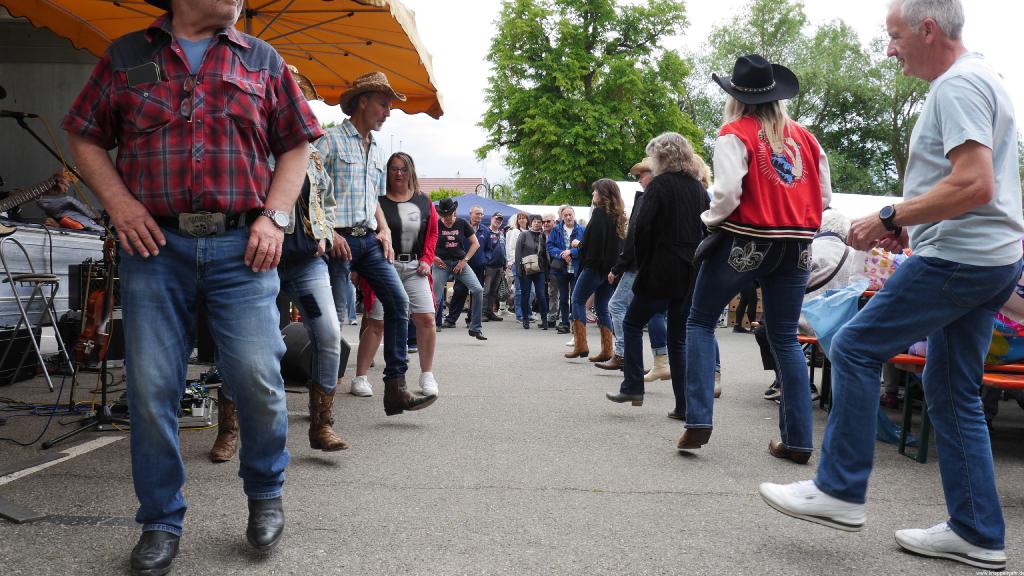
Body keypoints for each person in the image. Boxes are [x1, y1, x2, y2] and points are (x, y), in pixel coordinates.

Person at [760, 2, 1023, 570]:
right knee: (951, 391)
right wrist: (917, 227)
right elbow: (979, 189)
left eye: (894, 36)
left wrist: (892, 216)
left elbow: (975, 184)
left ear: (928, 30)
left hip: (961, 260)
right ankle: (977, 531)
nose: (889, 49)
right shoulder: (984, 79)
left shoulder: (957, 86)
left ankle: (840, 489)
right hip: (987, 259)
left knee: (854, 346)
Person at [62, 0, 321, 570]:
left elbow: (297, 142)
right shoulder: (127, 55)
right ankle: (159, 521)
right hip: (155, 247)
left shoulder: (263, 58)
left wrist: (275, 216)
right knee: (153, 390)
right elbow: (83, 135)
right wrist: (120, 205)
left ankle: (265, 496)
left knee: (257, 376)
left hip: (243, 246)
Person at [678, 54, 832, 457]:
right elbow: (826, 197)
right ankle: (798, 440)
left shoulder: (735, 132)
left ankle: (698, 419)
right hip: (797, 244)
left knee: (700, 320)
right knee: (784, 337)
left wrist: (709, 220)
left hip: (746, 240)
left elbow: (727, 193)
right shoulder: (807, 138)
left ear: (737, 97)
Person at [317, 71, 433, 417]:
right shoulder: (329, 141)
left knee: (399, 304)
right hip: (337, 242)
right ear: (363, 101)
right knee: (333, 322)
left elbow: (373, 200)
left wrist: (383, 229)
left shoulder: (378, 149)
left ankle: (395, 389)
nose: (388, 111)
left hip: (368, 241)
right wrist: (330, 232)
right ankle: (323, 400)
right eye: (384, 104)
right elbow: (307, 191)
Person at [606, 133, 708, 418]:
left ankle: (633, 385)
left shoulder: (660, 185)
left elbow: (642, 229)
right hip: (690, 271)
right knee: (678, 338)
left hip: (661, 268)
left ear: (663, 157)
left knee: (632, 321)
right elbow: (707, 230)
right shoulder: (698, 189)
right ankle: (684, 405)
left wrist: (646, 262)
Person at [351, 153, 441, 397]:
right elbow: (365, 232)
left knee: (427, 319)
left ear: (410, 171)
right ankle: (360, 377)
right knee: (376, 322)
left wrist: (427, 259)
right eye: (393, 169)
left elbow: (433, 233)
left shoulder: (424, 201)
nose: (398, 173)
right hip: (384, 267)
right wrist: (360, 268)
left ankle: (427, 375)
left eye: (403, 169)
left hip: (415, 268)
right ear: (387, 172)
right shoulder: (377, 201)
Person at [599, 157, 670, 375]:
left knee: (619, 308)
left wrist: (618, 267)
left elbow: (635, 238)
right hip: (652, 264)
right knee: (649, 313)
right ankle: (659, 362)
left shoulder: (649, 198)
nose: (640, 179)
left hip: (639, 264)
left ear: (653, 175)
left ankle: (624, 356)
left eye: (643, 174)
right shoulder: (663, 196)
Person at [564, 179, 626, 363]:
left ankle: (580, 344)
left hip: (595, 267)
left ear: (603, 194)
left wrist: (579, 245)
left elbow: (595, 244)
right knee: (602, 307)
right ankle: (607, 349)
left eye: (595, 192)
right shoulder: (619, 216)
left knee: (577, 300)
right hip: (610, 270)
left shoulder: (599, 214)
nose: (593, 195)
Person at [432, 198, 487, 339]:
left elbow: (476, 244)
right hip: (441, 263)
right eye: (444, 216)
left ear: (454, 212)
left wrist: (464, 261)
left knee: (478, 289)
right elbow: (423, 243)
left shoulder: (462, 223)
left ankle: (475, 328)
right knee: (436, 297)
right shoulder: (435, 224)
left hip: (459, 262)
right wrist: (433, 257)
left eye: (450, 215)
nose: (447, 219)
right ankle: (430, 326)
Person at [547, 205, 584, 333]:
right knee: (563, 298)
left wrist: (572, 252)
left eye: (570, 214)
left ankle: (576, 324)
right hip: (561, 269)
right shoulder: (556, 230)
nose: (568, 217)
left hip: (576, 269)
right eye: (565, 215)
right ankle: (564, 323)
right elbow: (550, 246)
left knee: (575, 298)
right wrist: (563, 253)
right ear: (562, 217)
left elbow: (586, 247)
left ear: (574, 215)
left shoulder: (581, 230)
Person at [516, 214, 550, 329]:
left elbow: (545, 255)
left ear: (542, 224)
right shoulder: (524, 235)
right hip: (526, 269)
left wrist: (547, 272)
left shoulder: (543, 236)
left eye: (539, 222)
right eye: (535, 221)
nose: (537, 223)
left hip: (539, 270)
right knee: (525, 295)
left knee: (541, 295)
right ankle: (525, 318)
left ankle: (544, 320)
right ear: (531, 223)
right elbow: (518, 253)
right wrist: (519, 270)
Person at [482, 211, 507, 320]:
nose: (498, 221)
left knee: (494, 291)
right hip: (489, 266)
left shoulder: (501, 233)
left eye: (500, 220)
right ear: (492, 218)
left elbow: (503, 249)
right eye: (497, 218)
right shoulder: (486, 232)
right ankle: (482, 313)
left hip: (500, 266)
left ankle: (490, 312)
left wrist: (505, 265)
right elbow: (482, 249)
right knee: (486, 291)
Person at [505, 212, 530, 322]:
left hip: (529, 263)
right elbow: (510, 248)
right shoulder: (515, 232)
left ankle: (528, 312)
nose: (521, 220)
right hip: (518, 263)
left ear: (527, 220)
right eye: (519, 218)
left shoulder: (530, 231)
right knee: (519, 290)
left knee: (530, 290)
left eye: (523, 218)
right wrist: (512, 261)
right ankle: (519, 314)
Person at [541, 213, 563, 329]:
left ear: (554, 222)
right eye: (544, 221)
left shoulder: (559, 233)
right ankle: (550, 318)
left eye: (548, 221)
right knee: (551, 293)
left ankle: (558, 318)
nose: (545, 224)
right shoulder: (542, 235)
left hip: (559, 266)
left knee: (560, 293)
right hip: (546, 269)